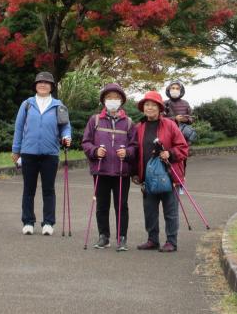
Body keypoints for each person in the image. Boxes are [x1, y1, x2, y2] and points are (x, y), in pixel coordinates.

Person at [11, 71, 72, 236]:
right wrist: (16, 150)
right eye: (40, 82)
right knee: (28, 189)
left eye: (46, 82)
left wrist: (67, 136)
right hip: (28, 152)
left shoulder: (58, 105)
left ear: (51, 86)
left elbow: (65, 126)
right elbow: (18, 128)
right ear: (35, 85)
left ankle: (48, 223)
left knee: (48, 189)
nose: (43, 85)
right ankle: (28, 222)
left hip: (50, 153)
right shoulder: (27, 104)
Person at [81, 83, 137, 251]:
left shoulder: (128, 122)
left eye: (116, 98)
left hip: (122, 171)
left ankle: (122, 238)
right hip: (101, 170)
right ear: (103, 100)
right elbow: (86, 142)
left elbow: (135, 146)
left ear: (121, 101)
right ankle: (103, 236)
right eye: (109, 98)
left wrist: (126, 153)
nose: (112, 100)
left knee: (122, 206)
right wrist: (95, 151)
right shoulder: (95, 120)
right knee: (102, 205)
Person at [133, 91, 188, 253]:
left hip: (169, 176)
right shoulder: (139, 128)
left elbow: (183, 148)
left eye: (153, 105)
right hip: (148, 177)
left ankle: (171, 241)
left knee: (170, 211)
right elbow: (136, 153)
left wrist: (169, 153)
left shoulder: (170, 125)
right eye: (146, 105)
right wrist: (135, 173)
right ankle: (152, 240)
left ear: (160, 108)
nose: (149, 108)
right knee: (149, 211)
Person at [164, 80, 195, 144]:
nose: (175, 90)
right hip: (169, 133)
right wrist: (175, 119)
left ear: (181, 90)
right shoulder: (164, 103)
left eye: (177, 88)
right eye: (173, 88)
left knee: (184, 151)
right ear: (169, 90)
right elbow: (161, 119)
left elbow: (192, 118)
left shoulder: (185, 103)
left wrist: (186, 120)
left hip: (184, 135)